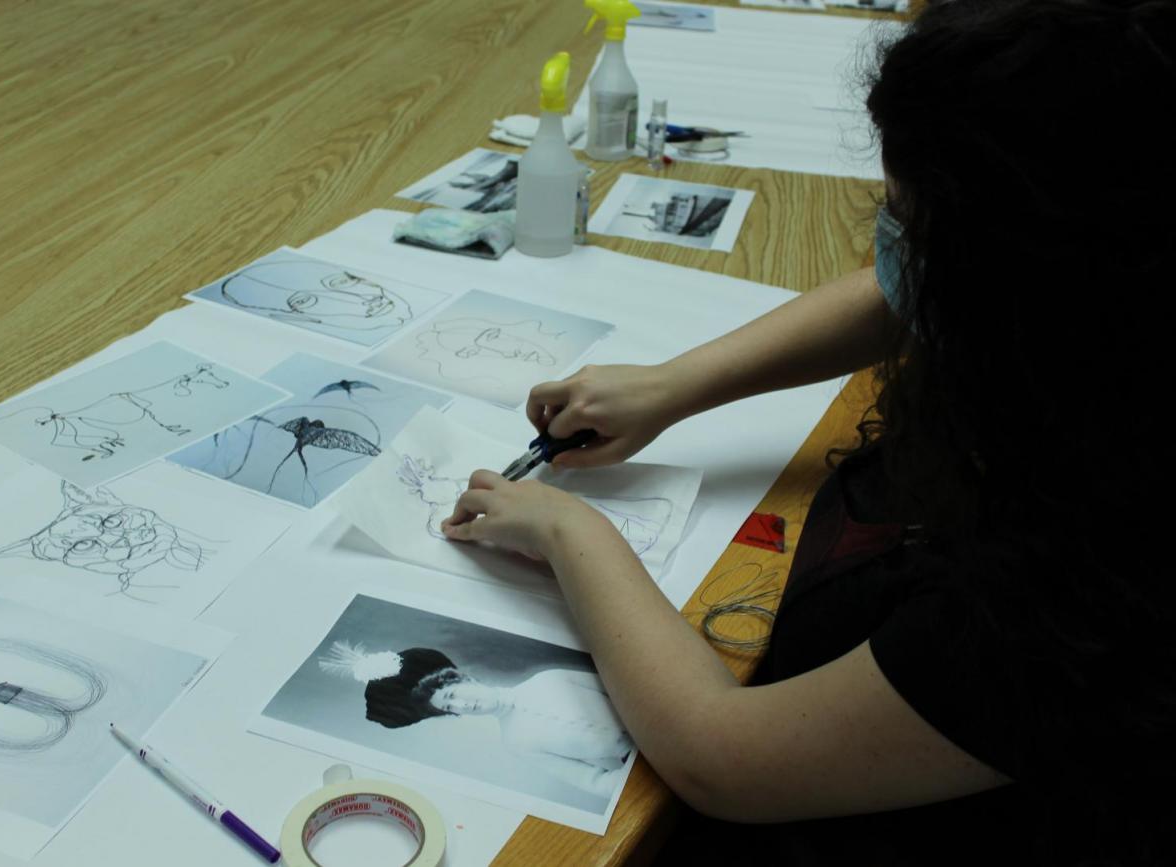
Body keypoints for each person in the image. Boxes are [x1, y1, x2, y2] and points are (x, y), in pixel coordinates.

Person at [439, 0, 1175, 863]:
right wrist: (674, 386)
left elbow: (724, 756)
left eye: (905, 220)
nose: (891, 251)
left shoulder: (1086, 579)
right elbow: (904, 293)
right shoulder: (1111, 308)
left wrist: (573, 533)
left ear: (1016, 283)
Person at [319, 644, 633, 798]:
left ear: (462, 678)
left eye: (453, 694)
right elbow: (593, 781)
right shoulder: (515, 741)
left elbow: (625, 685)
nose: (463, 704)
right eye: (451, 707)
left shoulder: (548, 679)